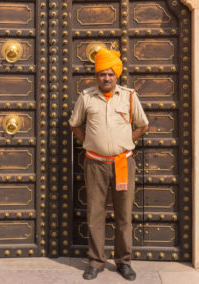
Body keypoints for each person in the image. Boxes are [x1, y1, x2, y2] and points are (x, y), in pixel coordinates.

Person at [69, 48, 149, 281]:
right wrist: (90, 142)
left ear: (117, 76)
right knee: (95, 214)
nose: (106, 78)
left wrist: (126, 141)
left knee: (124, 215)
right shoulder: (86, 98)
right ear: (96, 76)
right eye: (102, 74)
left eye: (110, 74)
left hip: (123, 163)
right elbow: (75, 124)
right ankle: (95, 262)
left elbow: (142, 125)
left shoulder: (129, 96)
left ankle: (124, 262)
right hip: (95, 164)